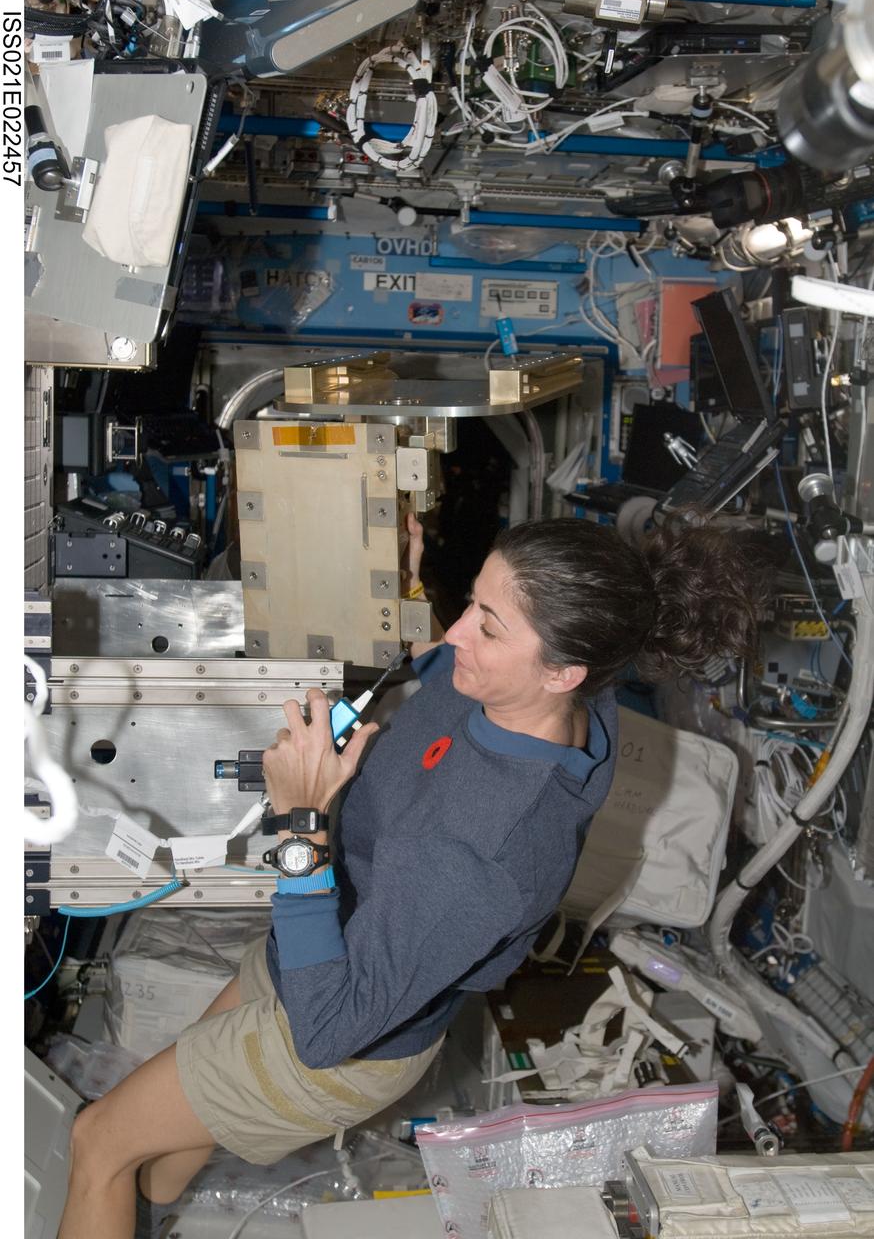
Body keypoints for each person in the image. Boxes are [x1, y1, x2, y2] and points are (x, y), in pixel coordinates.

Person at [58, 511, 765, 1239]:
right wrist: (405, 593)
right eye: (472, 604)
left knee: (98, 1141)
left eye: (488, 627)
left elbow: (326, 1030)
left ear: (563, 670)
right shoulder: (573, 695)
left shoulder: (483, 851)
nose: (458, 632)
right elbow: (444, 670)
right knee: (159, 1152)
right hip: (323, 940)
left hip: (338, 1031)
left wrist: (301, 821)